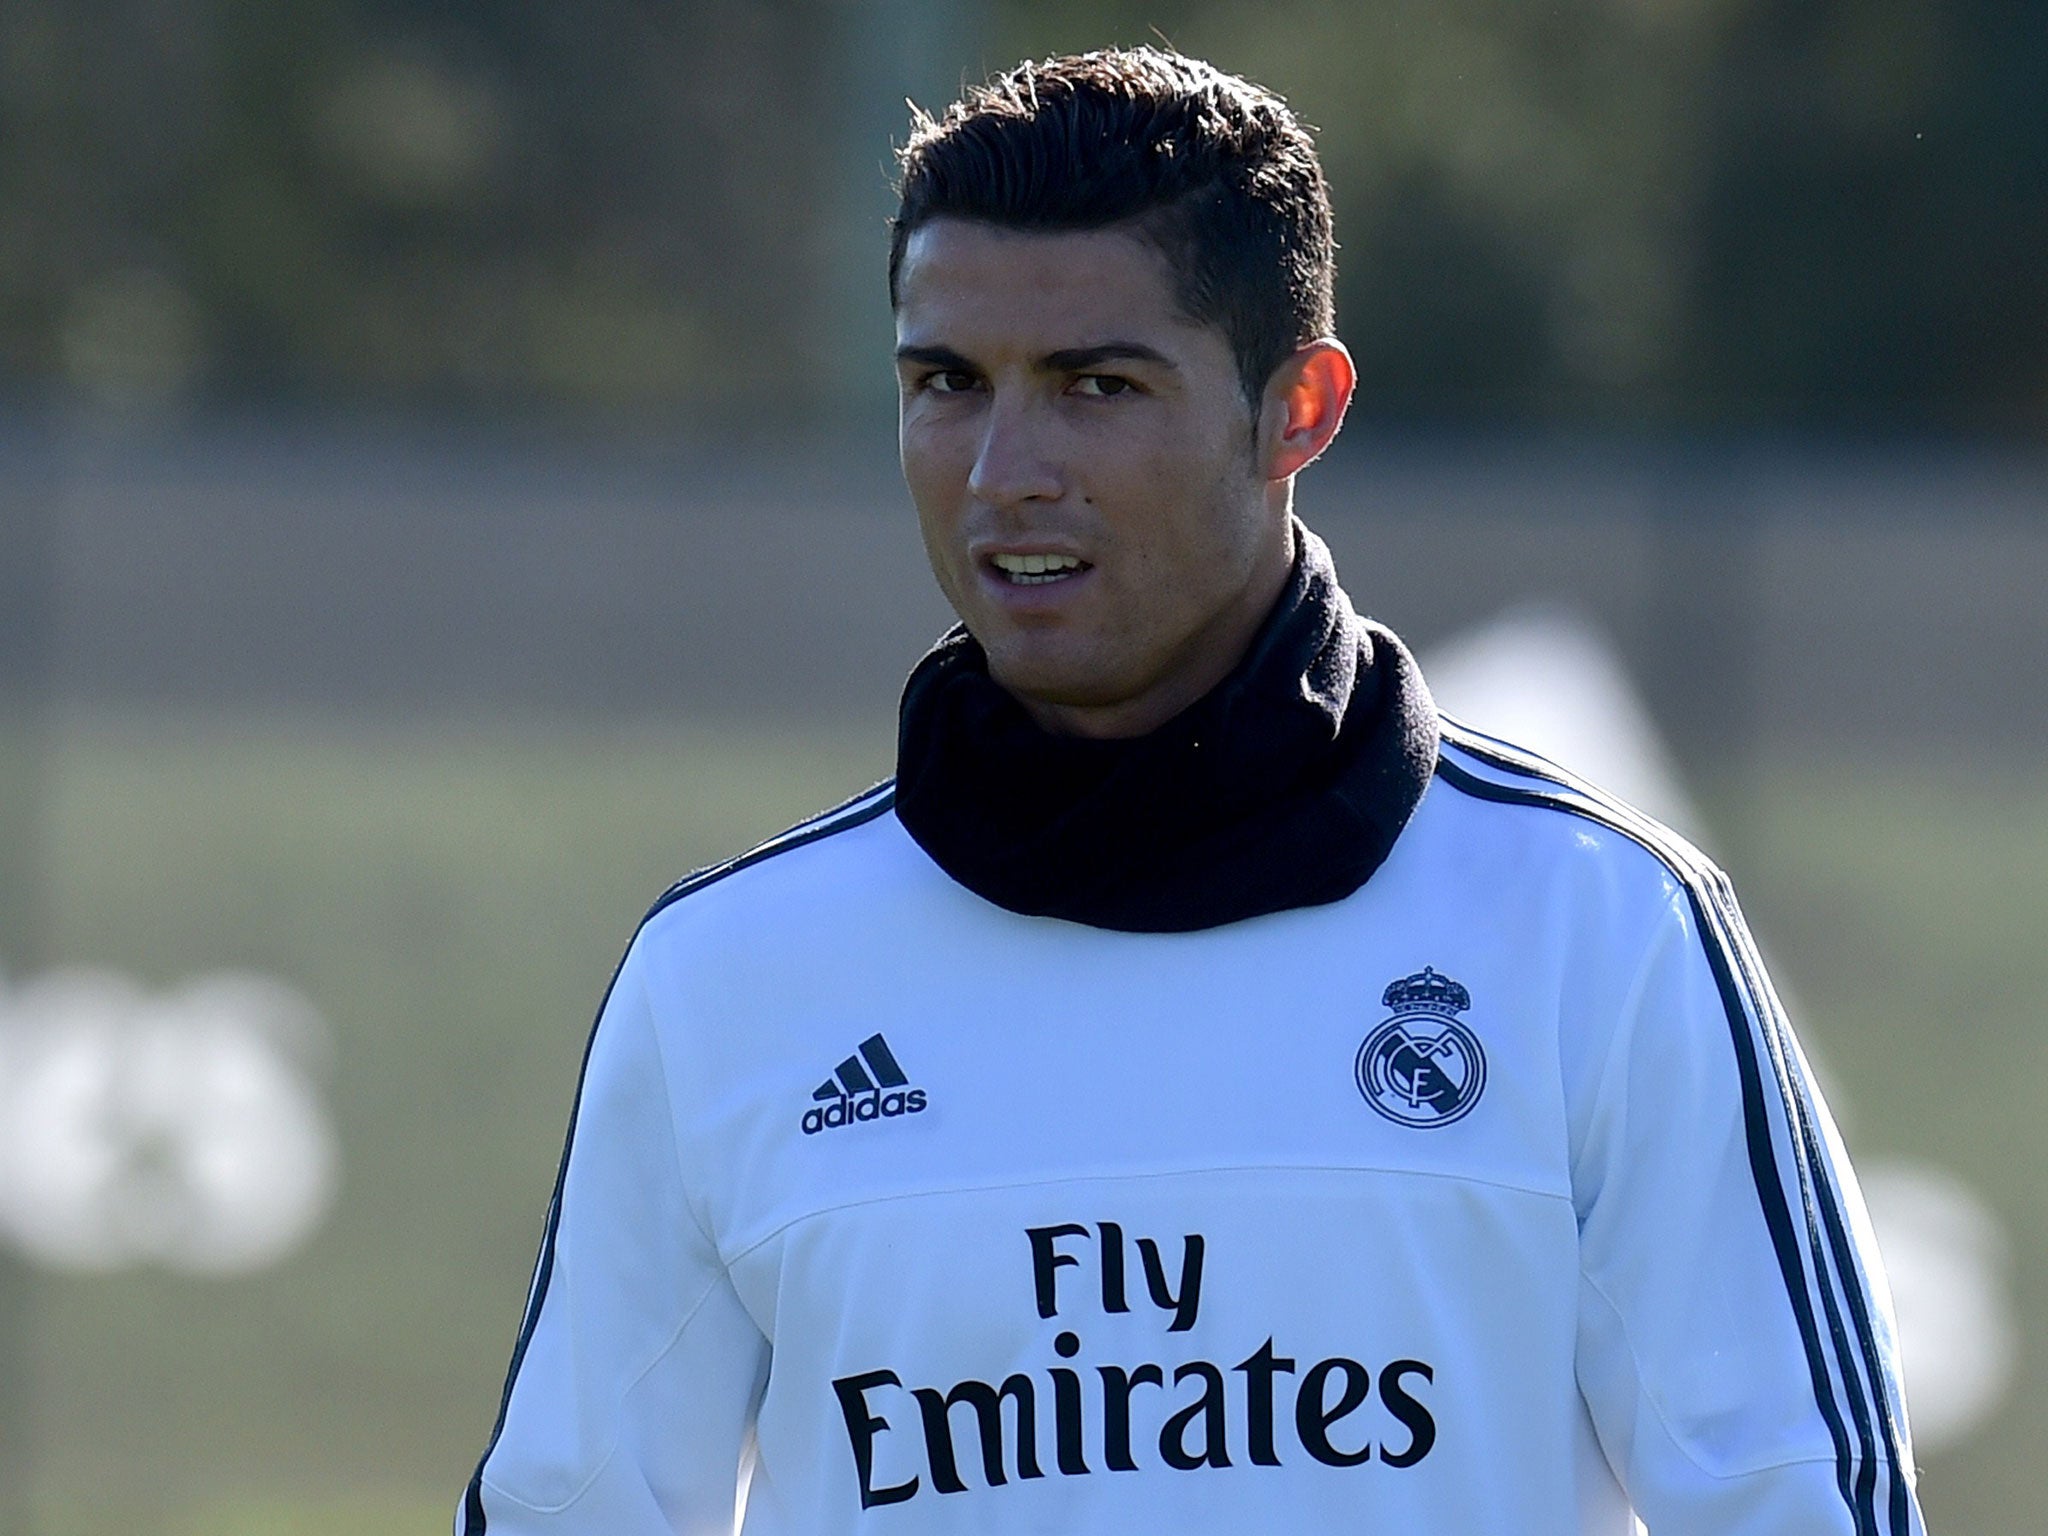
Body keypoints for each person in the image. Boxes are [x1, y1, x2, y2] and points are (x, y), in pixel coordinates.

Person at [458, 47, 1924, 1535]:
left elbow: (1799, 1506)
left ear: (1300, 409)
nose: (1005, 471)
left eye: (1097, 385)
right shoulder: (731, 979)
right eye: (947, 384)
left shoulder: (1597, 934)